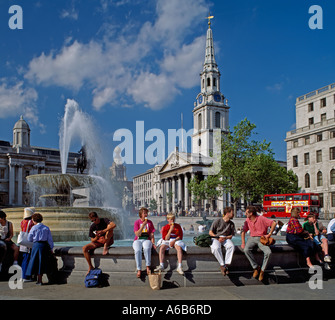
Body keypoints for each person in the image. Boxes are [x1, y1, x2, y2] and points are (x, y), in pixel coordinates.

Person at [241, 205, 276, 281]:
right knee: (246, 250)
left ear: (251, 213)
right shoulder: (247, 220)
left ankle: (262, 271)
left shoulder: (261, 218)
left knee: (268, 252)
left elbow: (274, 223)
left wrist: (269, 234)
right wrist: (243, 243)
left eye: (246, 212)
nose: (245, 214)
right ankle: (256, 267)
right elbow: (243, 232)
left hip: (261, 238)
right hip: (252, 238)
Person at [25, 213, 54, 285]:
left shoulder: (34, 228)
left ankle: (39, 280)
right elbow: (50, 239)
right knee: (43, 262)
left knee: (36, 262)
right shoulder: (46, 228)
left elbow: (29, 238)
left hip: (36, 245)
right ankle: (43, 279)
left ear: (34, 220)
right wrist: (51, 248)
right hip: (44, 245)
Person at [209, 207, 235, 276]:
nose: (234, 215)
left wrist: (225, 237)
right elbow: (210, 232)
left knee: (231, 246)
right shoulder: (217, 221)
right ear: (227, 213)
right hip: (216, 238)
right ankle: (222, 265)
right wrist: (217, 237)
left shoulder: (231, 224)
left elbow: (231, 235)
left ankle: (226, 264)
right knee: (215, 248)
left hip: (225, 238)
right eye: (232, 213)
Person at [133, 207, 156, 278]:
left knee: (146, 248)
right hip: (138, 239)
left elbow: (152, 234)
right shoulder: (137, 222)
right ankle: (139, 269)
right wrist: (143, 225)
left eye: (146, 213)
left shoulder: (150, 222)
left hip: (147, 239)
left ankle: (148, 266)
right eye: (144, 213)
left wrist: (153, 243)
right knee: (137, 250)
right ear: (141, 214)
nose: (146, 214)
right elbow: (137, 234)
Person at [19, 207, 35, 280]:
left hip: (23, 242)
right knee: (27, 259)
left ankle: (23, 276)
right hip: (28, 242)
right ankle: (26, 276)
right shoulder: (31, 222)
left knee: (24, 258)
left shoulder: (22, 222)